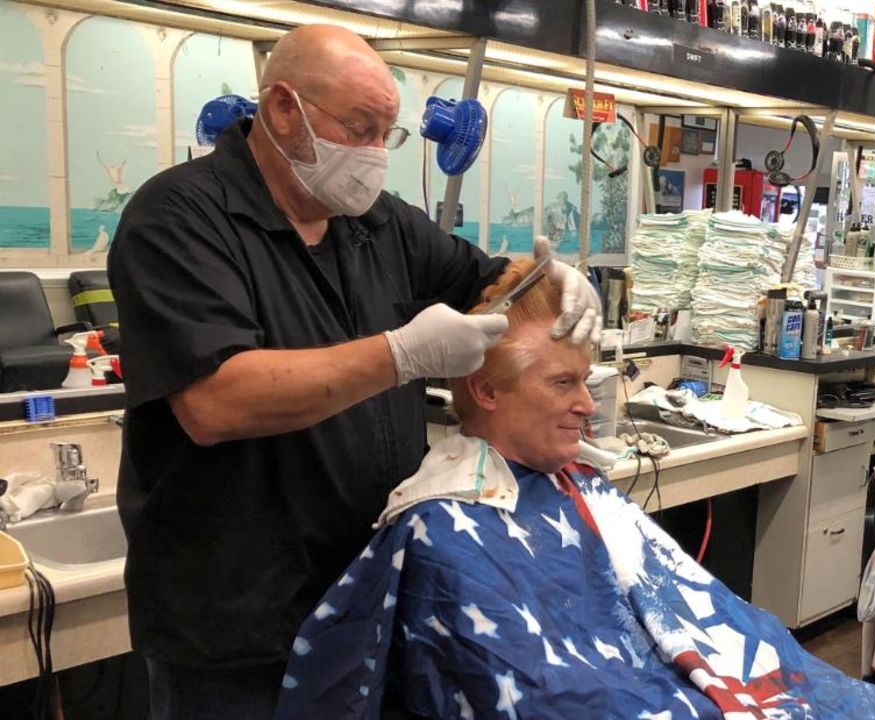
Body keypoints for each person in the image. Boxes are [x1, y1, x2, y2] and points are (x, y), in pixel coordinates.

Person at [107, 25, 600, 720]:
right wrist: (400, 355)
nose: (373, 155)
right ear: (283, 108)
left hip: (368, 597)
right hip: (238, 631)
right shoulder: (180, 217)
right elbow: (217, 402)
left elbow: (491, 284)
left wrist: (555, 286)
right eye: (358, 128)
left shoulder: (377, 222)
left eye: (386, 136)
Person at [273, 259, 875, 720]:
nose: (587, 406)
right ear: (483, 388)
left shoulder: (574, 486)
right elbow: (536, 690)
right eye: (563, 384)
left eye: (587, 382)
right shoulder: (440, 530)